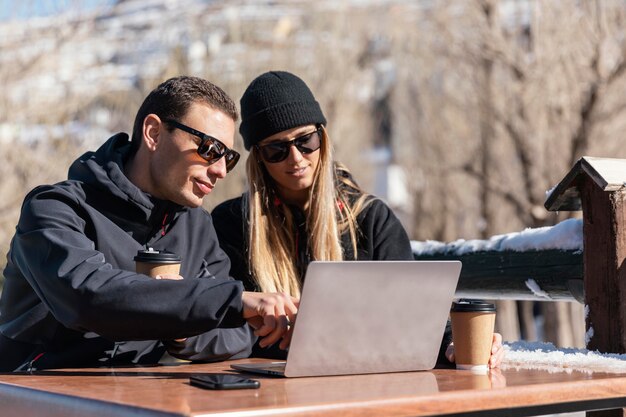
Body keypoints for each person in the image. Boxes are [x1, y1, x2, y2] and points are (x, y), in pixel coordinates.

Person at [0, 76, 297, 372]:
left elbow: (235, 338)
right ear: (153, 133)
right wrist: (229, 301)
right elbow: (88, 298)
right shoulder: (55, 209)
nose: (220, 170)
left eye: (228, 158)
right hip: (34, 395)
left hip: (139, 401)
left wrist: (180, 329)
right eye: (209, 149)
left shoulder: (197, 228)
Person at [210, 70, 504, 367]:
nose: (296, 158)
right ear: (259, 157)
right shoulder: (232, 223)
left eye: (305, 141)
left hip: (358, 379)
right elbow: (220, 318)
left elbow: (416, 308)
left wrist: (454, 342)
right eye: (276, 149)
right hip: (266, 387)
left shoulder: (370, 217)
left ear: (322, 138)